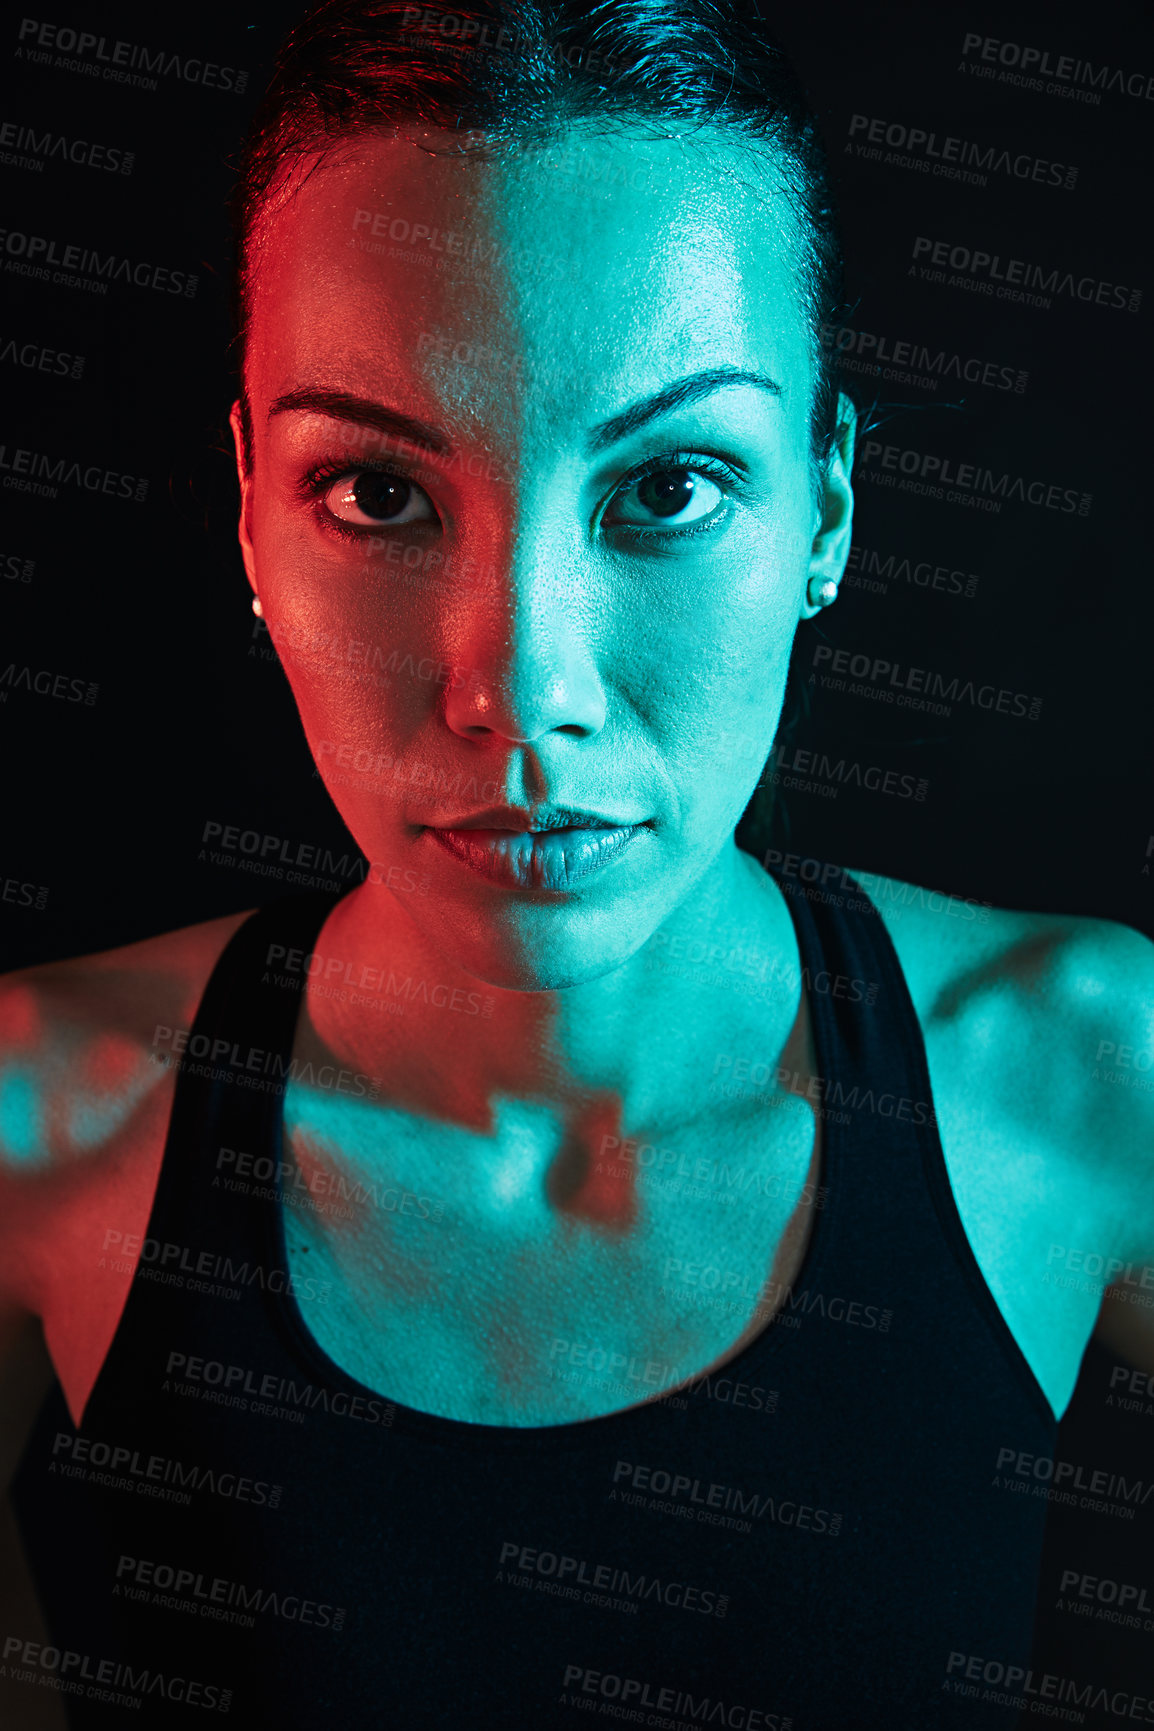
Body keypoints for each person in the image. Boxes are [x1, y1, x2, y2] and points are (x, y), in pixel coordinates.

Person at [2, 0, 1152, 1725]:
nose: (520, 688)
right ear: (248, 508)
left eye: (671, 487)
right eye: (377, 495)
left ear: (824, 511)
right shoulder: (31, 1125)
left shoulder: (1094, 1076)